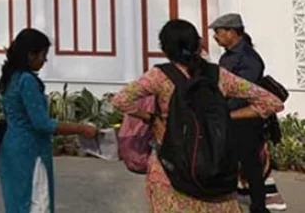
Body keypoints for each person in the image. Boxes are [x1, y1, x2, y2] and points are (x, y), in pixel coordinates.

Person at [112, 19, 283, 213]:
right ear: (197, 43)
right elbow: (272, 102)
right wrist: (228, 116)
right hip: (215, 169)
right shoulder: (219, 75)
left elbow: (120, 100)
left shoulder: (159, 76)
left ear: (165, 48)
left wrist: (150, 118)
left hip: (170, 171)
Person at [0, 28, 97, 213]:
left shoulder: (10, 77)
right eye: (43, 54)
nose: (45, 60)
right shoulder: (27, 81)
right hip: (31, 151)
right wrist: (80, 129)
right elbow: (42, 124)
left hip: (11, 148)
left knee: (17, 203)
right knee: (36, 203)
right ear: (31, 55)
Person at [211, 13, 286, 212]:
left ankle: (259, 206)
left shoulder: (249, 59)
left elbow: (244, 91)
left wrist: (223, 108)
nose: (215, 37)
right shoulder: (228, 56)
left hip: (244, 119)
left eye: (218, 32)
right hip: (229, 117)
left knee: (250, 163)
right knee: (230, 163)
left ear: (232, 32)